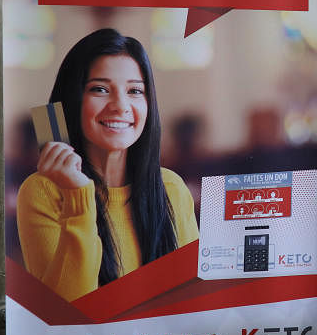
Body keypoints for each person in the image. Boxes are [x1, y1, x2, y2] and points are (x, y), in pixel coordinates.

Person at [17, 28, 198, 302]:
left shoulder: (171, 187)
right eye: (100, 89)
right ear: (72, 100)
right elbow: (69, 314)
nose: (120, 106)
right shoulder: (42, 192)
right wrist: (77, 194)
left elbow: (193, 300)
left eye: (135, 90)